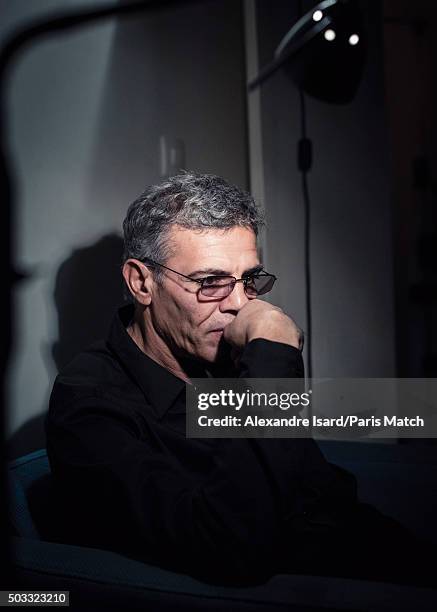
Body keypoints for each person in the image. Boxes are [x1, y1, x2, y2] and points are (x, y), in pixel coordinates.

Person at [46, 172, 430, 587]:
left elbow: (316, 475)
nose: (240, 305)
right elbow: (231, 547)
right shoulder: (88, 404)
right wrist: (273, 358)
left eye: (249, 280)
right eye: (209, 282)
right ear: (142, 282)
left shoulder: (218, 354)